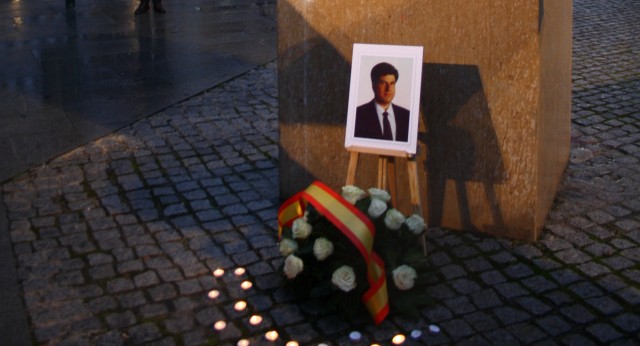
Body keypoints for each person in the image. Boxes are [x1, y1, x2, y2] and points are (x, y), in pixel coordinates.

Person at [354, 62, 410, 142]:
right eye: (383, 83)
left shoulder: (407, 116)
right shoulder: (358, 114)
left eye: (392, 83)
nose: (388, 89)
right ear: (373, 85)